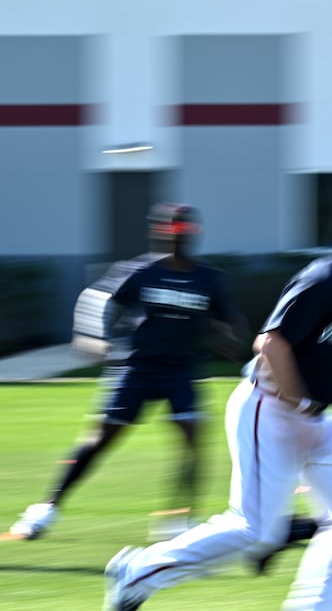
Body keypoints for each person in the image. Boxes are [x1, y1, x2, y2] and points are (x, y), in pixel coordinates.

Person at [101, 199, 332, 611]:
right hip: (268, 408)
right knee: (254, 528)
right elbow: (270, 342)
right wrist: (294, 403)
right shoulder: (321, 281)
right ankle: (136, 571)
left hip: (313, 419)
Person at [9, 204, 244, 542]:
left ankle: (180, 522)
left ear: (194, 235)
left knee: (193, 441)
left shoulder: (208, 279)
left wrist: (232, 343)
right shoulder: (140, 271)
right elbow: (96, 299)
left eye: (185, 233)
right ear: (161, 233)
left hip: (180, 369)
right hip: (137, 366)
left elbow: (231, 320)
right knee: (100, 440)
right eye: (173, 233)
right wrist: (91, 336)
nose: (179, 239)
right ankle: (44, 510)